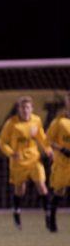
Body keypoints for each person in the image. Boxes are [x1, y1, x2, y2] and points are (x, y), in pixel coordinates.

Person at [0, 96, 53, 231]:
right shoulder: (11, 123)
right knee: (20, 189)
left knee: (42, 186)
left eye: (28, 107)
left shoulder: (36, 120)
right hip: (18, 161)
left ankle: (48, 215)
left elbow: (42, 138)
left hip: (34, 159)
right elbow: (2, 142)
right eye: (22, 108)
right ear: (18, 109)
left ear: (32, 109)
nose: (25, 110)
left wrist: (48, 150)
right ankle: (17, 212)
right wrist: (11, 153)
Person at [45, 91, 70, 232]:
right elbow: (47, 140)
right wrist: (62, 149)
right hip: (62, 163)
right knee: (59, 191)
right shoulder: (59, 122)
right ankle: (51, 218)